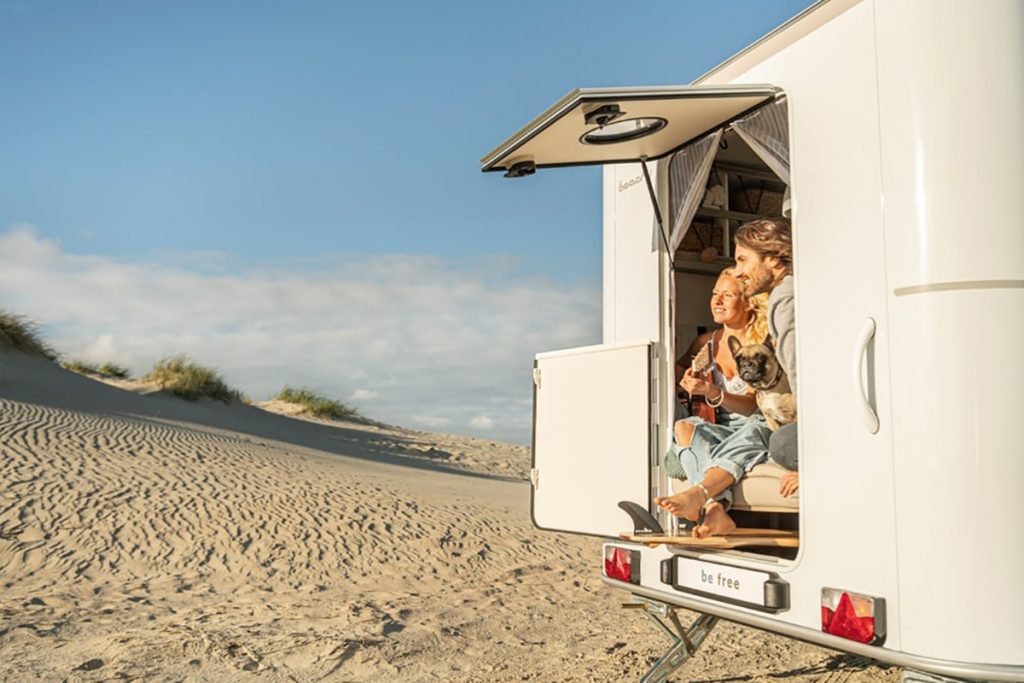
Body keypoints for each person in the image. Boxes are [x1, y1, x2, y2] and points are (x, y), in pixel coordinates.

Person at [654, 268, 771, 538]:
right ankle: (715, 508)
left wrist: (713, 391)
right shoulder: (706, 343)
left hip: (757, 423)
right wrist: (684, 376)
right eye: (714, 294)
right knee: (683, 427)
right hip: (723, 427)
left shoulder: (762, 343)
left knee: (757, 428)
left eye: (727, 295)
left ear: (748, 302)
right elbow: (677, 370)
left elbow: (755, 407)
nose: (717, 301)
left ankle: (701, 495)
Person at [731, 217, 799, 498]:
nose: (738, 272)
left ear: (773, 259)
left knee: (782, 444)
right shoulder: (800, 289)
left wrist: (815, 461)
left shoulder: (785, 298)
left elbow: (802, 376)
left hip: (825, 426)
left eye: (743, 260)